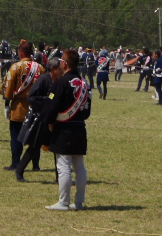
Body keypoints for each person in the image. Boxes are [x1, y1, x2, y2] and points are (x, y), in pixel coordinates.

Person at [42, 48, 91, 211]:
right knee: (79, 166)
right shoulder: (85, 83)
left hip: (63, 128)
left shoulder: (61, 82)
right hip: (79, 127)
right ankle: (79, 202)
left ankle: (63, 202)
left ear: (64, 63)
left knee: (63, 166)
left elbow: (51, 103)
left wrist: (48, 120)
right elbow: (87, 109)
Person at [14, 58, 63, 182]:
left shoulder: (58, 82)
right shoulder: (43, 80)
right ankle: (19, 171)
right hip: (40, 119)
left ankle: (60, 177)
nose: (62, 71)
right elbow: (31, 97)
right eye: (59, 69)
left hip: (52, 119)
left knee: (56, 148)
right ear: (52, 69)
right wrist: (47, 102)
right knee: (34, 147)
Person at [0, 41, 44, 171]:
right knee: (35, 137)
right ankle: (35, 164)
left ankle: (15, 163)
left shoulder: (15, 67)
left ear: (20, 52)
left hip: (18, 106)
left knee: (16, 136)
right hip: (35, 107)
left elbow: (8, 87)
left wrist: (7, 104)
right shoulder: (40, 68)